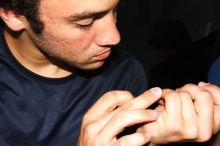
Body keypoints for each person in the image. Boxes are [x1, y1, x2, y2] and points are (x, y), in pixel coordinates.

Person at [0, 0, 220, 146]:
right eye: (85, 22)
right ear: (13, 15)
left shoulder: (125, 70)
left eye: (114, 11)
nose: (114, 37)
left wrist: (152, 138)